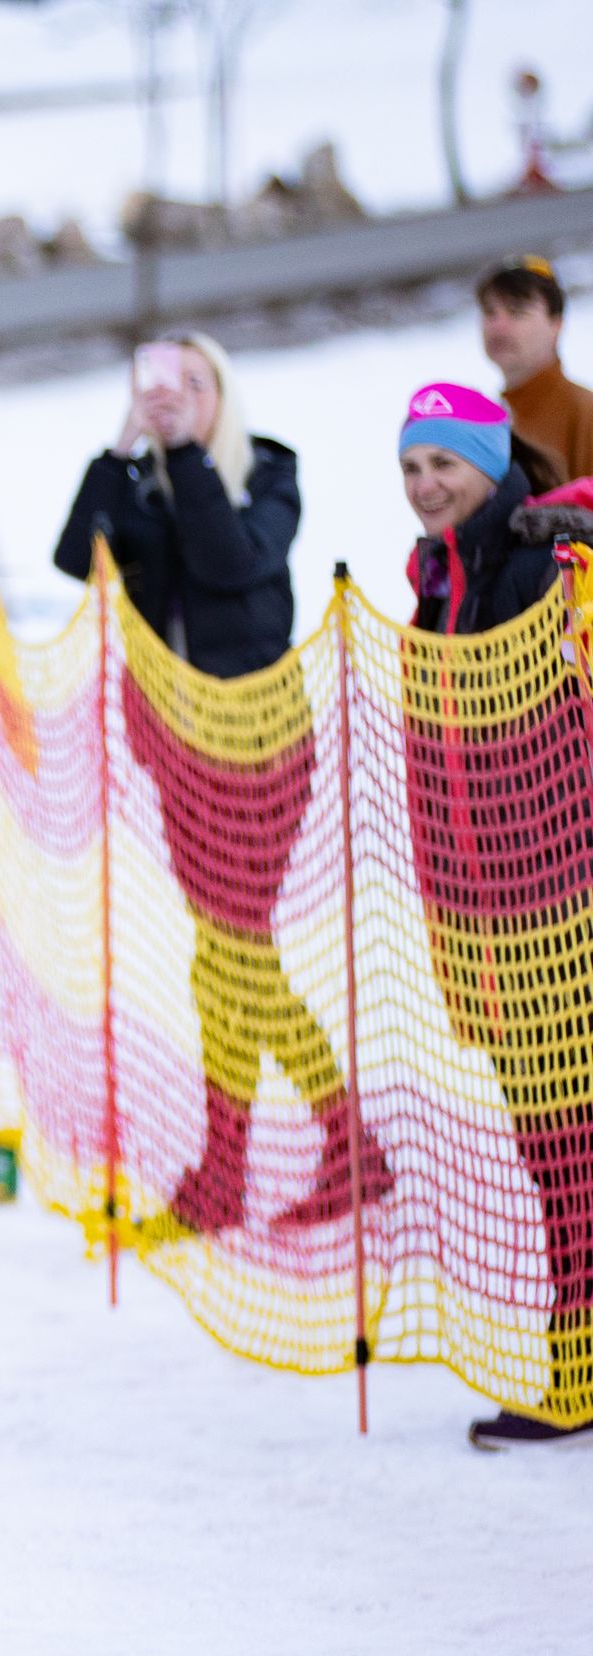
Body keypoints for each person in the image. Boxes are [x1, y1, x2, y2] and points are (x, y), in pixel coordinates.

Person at [51, 331, 381, 1239]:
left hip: (263, 748)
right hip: (182, 751)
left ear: (223, 395)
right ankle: (291, 1152)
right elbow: (75, 560)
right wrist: (120, 455)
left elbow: (235, 561)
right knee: (224, 958)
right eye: (160, 386)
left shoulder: (268, 477)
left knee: (235, 954)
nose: (175, 399)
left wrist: (187, 457)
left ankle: (277, 1156)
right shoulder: (147, 483)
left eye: (194, 385)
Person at [393, 381, 593, 1448]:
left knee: (570, 1143)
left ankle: (578, 1372)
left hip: (562, 893)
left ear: (489, 461)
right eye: (413, 468)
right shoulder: (440, 579)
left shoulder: (537, 559)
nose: (427, 486)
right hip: (483, 906)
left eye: (445, 464)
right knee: (545, 1141)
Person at [479, 254, 593, 484]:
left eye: (517, 312)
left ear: (556, 325)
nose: (498, 326)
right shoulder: (488, 420)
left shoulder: (583, 414)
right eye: (490, 312)